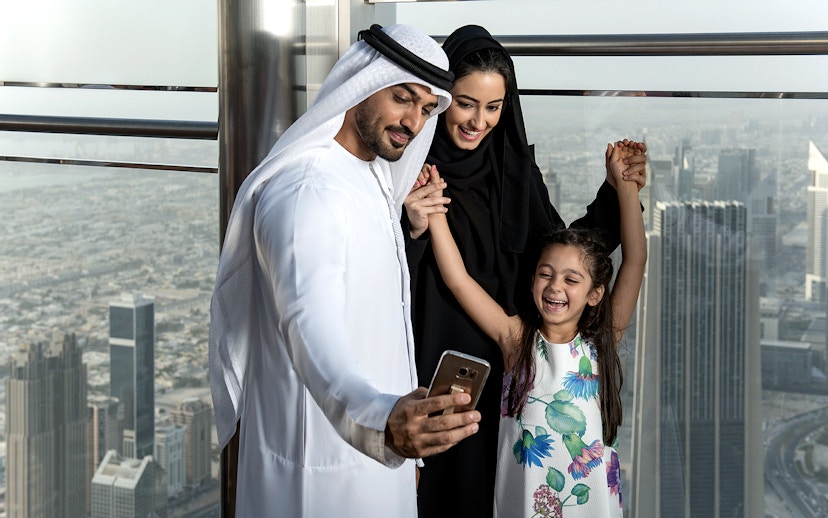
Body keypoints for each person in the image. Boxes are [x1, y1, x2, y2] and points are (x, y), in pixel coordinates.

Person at [207, 24, 482, 517]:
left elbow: (383, 327)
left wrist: (402, 441)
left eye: (426, 109)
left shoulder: (371, 174)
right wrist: (382, 424)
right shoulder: (306, 192)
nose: (413, 121)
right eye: (402, 97)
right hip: (317, 470)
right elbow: (309, 328)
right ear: (361, 83)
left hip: (378, 455)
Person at [403, 24, 647, 516]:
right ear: (441, 97)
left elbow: (562, 254)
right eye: (465, 103)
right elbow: (384, 274)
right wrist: (413, 227)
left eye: (493, 107)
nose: (479, 121)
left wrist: (618, 191)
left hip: (520, 372)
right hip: (438, 360)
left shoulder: (514, 170)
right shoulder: (410, 169)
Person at [425, 139, 647, 516]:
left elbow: (635, 259)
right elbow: (458, 280)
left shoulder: (602, 340)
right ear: (532, 282)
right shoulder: (516, 339)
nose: (556, 286)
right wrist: (434, 213)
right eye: (546, 274)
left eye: (571, 279)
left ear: (595, 293)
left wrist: (626, 187)